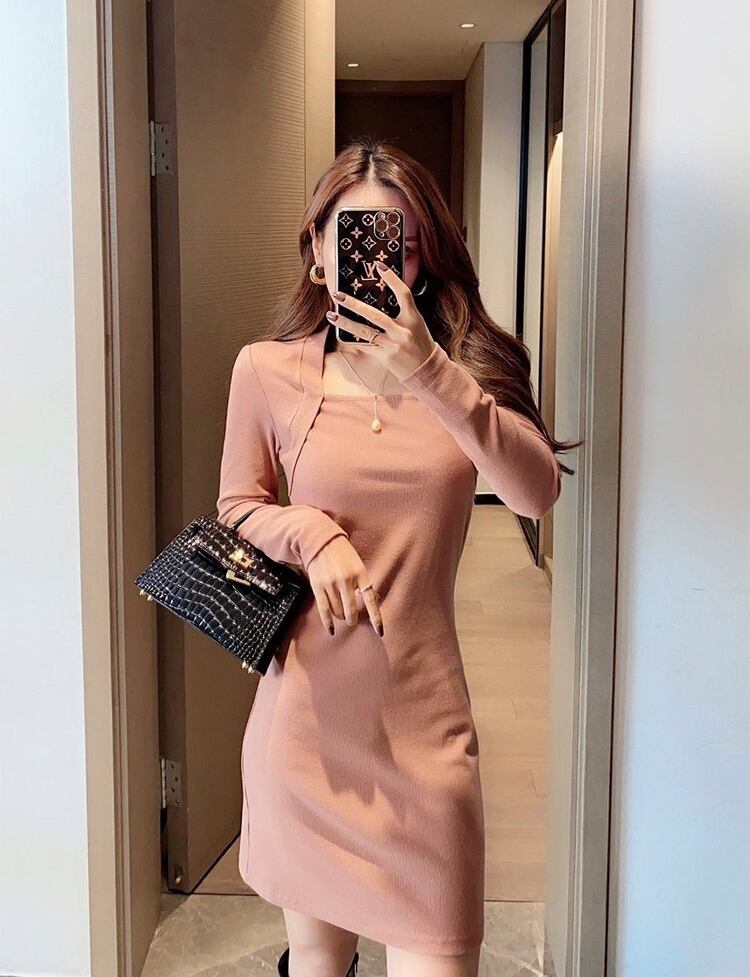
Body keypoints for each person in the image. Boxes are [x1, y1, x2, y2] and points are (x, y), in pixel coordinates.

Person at [216, 138, 578, 977]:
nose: (378, 264)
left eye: (402, 244)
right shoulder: (266, 372)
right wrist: (313, 536)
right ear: (317, 252)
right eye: (355, 240)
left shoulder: (468, 372)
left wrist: (430, 372)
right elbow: (238, 508)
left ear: (427, 258)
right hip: (304, 733)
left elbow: (535, 494)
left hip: (426, 740)